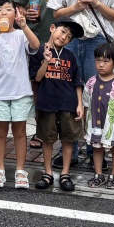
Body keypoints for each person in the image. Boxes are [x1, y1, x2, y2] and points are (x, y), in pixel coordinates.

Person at [15, 0, 74, 151]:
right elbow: (19, 7)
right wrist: (25, 14)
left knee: (64, 84)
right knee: (38, 87)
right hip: (36, 39)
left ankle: (67, 132)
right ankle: (41, 131)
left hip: (64, 39)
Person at [0, 0, 40, 188]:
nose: (4, 12)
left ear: (15, 14)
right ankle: (0, 169)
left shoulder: (21, 35)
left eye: (8, 9)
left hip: (20, 92)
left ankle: (20, 169)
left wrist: (24, 26)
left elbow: (35, 46)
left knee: (20, 132)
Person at [29, 17, 84, 192]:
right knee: (47, 139)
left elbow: (77, 81)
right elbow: (37, 78)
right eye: (62, 31)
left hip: (68, 103)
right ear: (52, 28)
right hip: (47, 103)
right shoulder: (39, 51)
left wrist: (80, 104)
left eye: (69, 37)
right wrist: (46, 60)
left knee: (68, 139)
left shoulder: (70, 56)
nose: (64, 37)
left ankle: (65, 173)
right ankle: (48, 173)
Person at [82, 43, 114, 189]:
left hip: (113, 125)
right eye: (98, 60)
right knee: (97, 148)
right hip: (95, 124)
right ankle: (98, 174)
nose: (101, 64)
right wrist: (85, 123)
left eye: (106, 61)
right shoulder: (91, 82)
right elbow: (86, 103)